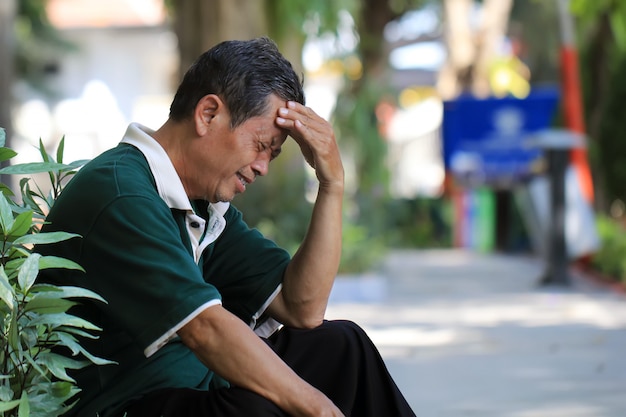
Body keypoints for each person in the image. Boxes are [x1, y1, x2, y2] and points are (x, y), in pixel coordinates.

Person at [37, 37, 416, 417]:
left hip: (194, 389)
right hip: (120, 406)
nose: (263, 167)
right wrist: (319, 408)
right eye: (261, 145)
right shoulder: (120, 193)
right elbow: (205, 329)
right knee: (259, 408)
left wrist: (332, 185)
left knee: (340, 346)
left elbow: (303, 308)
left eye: (274, 154)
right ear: (208, 114)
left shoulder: (201, 205)